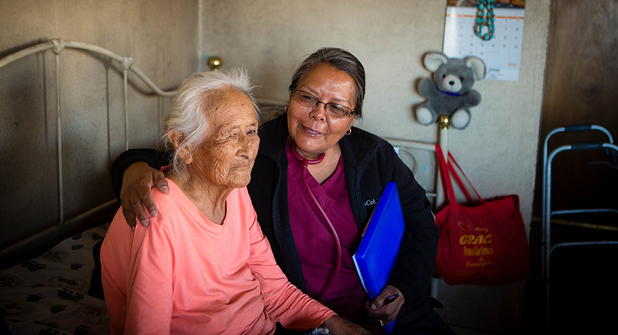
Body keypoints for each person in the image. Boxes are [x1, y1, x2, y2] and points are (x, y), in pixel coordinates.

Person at [111, 48, 455, 335]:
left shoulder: (375, 157)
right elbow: (183, 158)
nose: (318, 115)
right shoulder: (252, 157)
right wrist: (132, 168)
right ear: (290, 98)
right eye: (308, 98)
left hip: (384, 306)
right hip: (302, 316)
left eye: (337, 108)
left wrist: (404, 289)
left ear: (352, 120)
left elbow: (420, 223)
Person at [100, 69, 369, 335]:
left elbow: (275, 290)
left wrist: (336, 324)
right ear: (186, 144)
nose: (248, 148)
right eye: (230, 134)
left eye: (251, 131)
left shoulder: (234, 190)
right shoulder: (158, 216)